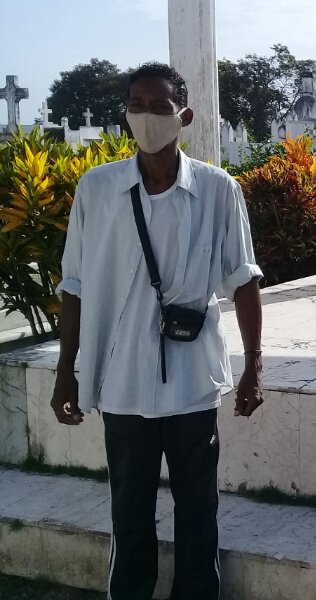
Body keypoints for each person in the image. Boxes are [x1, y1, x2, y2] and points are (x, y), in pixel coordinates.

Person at [49, 62, 264, 600]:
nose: (147, 119)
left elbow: (244, 280)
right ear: (125, 115)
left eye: (160, 108)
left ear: (184, 116)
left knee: (198, 509)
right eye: (136, 107)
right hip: (122, 384)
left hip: (192, 383)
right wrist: (65, 371)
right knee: (129, 513)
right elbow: (72, 285)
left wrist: (253, 368)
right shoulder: (97, 190)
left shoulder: (217, 190)